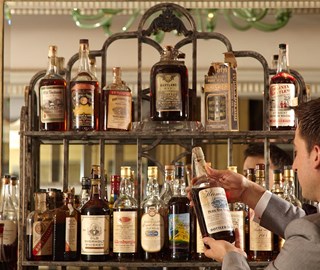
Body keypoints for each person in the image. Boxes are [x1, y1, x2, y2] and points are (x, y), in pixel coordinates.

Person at [189, 98, 320, 269]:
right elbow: (308, 229)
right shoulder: (311, 232)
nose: (294, 166)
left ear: (316, 155)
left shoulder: (311, 239)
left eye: (297, 152)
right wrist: (246, 191)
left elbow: (311, 236)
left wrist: (231, 256)